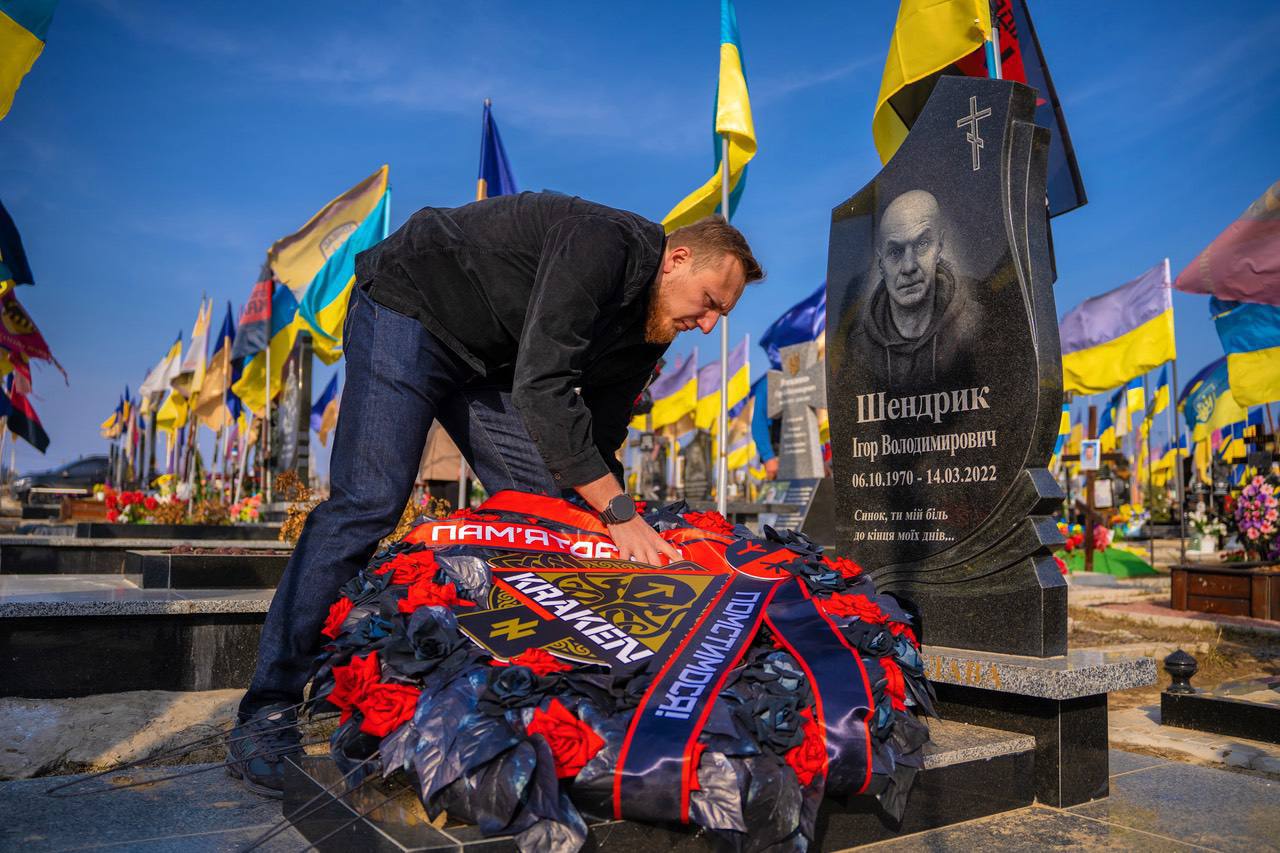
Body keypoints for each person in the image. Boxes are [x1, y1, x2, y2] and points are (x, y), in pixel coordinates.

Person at [225, 191, 763, 797]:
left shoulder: (653, 325)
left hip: (487, 362)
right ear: (677, 258)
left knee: (551, 514)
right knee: (368, 502)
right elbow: (544, 387)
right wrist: (618, 512)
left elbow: (600, 432)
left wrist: (612, 518)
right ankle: (265, 711)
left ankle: (511, 691)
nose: (710, 324)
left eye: (723, 315)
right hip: (414, 308)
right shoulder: (603, 243)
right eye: (711, 302)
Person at [845, 189, 982, 390]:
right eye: (895, 252)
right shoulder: (859, 348)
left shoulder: (975, 324)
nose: (909, 267)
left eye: (922, 244)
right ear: (881, 263)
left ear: (940, 247)